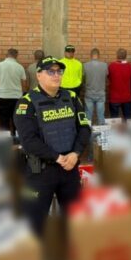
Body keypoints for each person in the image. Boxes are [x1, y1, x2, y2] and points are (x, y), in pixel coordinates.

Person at [13, 56, 91, 238]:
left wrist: (76, 153)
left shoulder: (72, 97)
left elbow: (84, 127)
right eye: (51, 71)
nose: (56, 75)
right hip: (39, 173)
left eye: (59, 71)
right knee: (32, 225)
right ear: (39, 75)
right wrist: (57, 157)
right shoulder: (26, 102)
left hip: (69, 169)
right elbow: (28, 140)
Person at [0, 48, 27, 135]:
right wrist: (24, 97)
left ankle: (6, 139)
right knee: (17, 120)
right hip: (17, 98)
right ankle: (17, 139)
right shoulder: (20, 67)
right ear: (16, 56)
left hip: (2, 97)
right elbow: (24, 84)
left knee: (3, 120)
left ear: (7, 54)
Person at [84, 48, 108, 125]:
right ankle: (102, 131)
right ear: (99, 55)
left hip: (89, 93)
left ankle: (87, 131)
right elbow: (106, 77)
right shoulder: (104, 65)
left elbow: (83, 79)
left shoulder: (85, 65)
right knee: (101, 115)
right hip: (101, 93)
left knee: (88, 116)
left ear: (90, 55)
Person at [108, 48, 131, 120]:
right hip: (126, 97)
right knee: (127, 119)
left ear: (117, 55)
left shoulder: (111, 66)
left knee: (114, 120)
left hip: (114, 97)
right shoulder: (130, 66)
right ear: (125, 56)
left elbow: (109, 77)